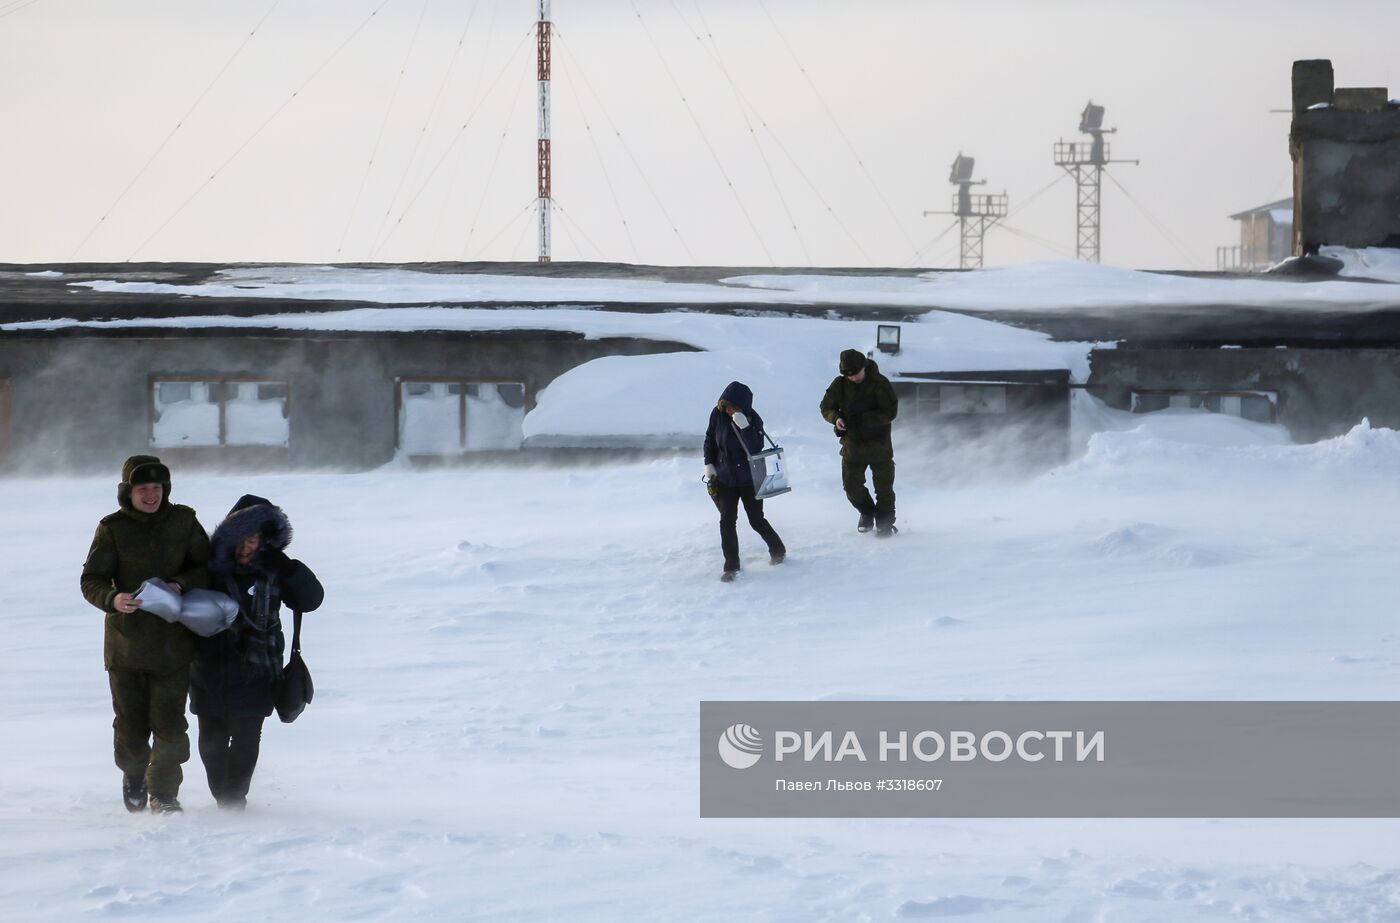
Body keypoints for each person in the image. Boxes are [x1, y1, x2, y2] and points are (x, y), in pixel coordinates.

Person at [81, 455, 210, 814]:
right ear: (129, 491)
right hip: (126, 648)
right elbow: (90, 580)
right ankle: (134, 775)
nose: (151, 495)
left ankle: (164, 792)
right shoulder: (112, 529)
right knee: (131, 726)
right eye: (143, 488)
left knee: (170, 725)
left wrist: (182, 582)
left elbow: (207, 567)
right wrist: (112, 598)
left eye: (157, 488)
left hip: (173, 646)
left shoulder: (184, 522)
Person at [192, 494, 323, 810]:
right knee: (212, 740)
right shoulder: (208, 568)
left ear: (263, 540)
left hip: (258, 669)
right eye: (239, 539)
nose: (245, 547)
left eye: (251, 539)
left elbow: (311, 600)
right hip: (209, 667)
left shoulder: (275, 570)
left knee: (247, 737)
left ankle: (233, 801)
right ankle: (222, 794)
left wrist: (289, 569)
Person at [703, 381, 787, 582]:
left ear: (743, 406)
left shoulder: (753, 419)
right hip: (725, 478)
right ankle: (731, 566)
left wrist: (746, 427)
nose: (729, 410)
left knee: (756, 520)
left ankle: (778, 549)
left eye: (734, 407)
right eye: (726, 406)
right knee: (727, 522)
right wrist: (709, 464)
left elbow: (756, 448)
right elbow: (709, 439)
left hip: (749, 479)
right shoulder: (717, 415)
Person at [820, 349, 900, 536]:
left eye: (856, 373)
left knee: (884, 488)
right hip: (853, 447)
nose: (853, 378)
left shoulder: (879, 384)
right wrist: (836, 418)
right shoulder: (839, 385)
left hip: (879, 446)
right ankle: (867, 512)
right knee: (851, 487)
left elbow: (890, 412)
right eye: (848, 375)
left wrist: (863, 419)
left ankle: (885, 523)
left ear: (864, 366)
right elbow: (826, 407)